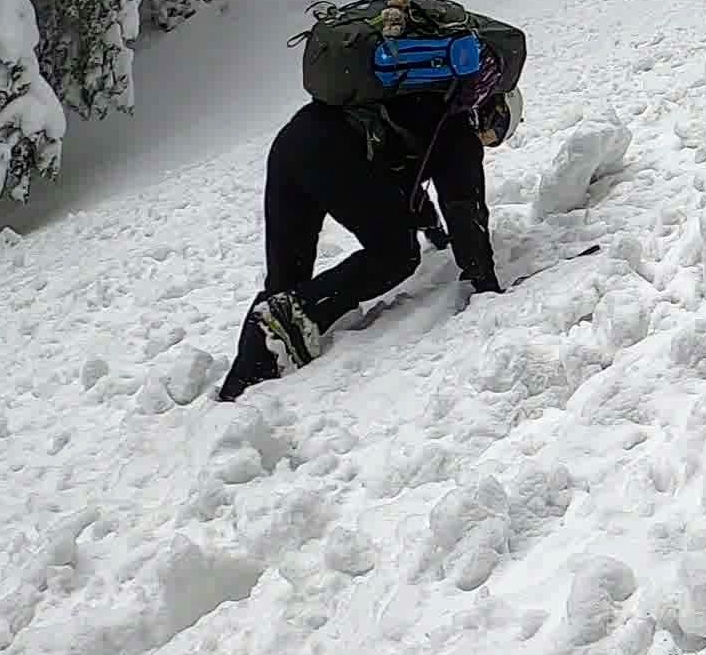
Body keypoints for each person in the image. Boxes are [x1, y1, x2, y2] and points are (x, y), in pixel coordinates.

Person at [216, 59, 523, 402]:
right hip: (332, 152)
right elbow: (465, 207)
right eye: (496, 130)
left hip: (293, 143)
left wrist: (436, 233)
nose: (487, 139)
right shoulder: (458, 126)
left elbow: (409, 187)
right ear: (492, 107)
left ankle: (238, 390)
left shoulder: (428, 105)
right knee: (397, 254)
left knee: (286, 279)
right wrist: (485, 281)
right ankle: (294, 314)